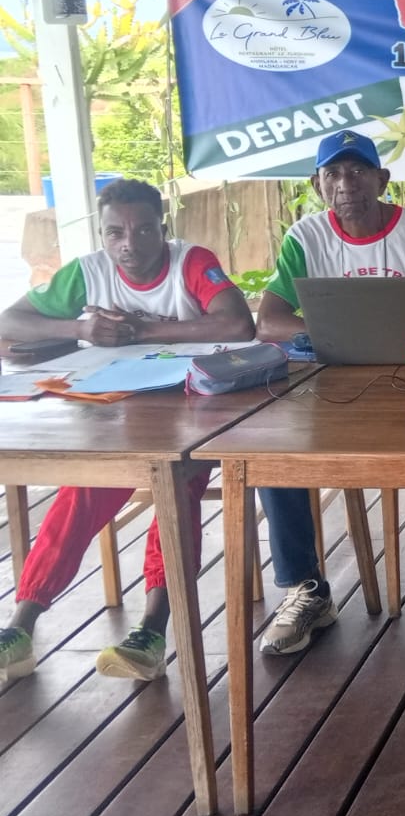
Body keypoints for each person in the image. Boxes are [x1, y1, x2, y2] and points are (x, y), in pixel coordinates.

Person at [0, 179, 254, 682]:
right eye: (115, 232)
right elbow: (11, 321)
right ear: (103, 233)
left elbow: (235, 325)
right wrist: (80, 329)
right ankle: (21, 626)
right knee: (81, 490)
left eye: (142, 230)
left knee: (176, 486)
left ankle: (152, 630)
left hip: (194, 414)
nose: (128, 244)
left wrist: (136, 330)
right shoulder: (88, 272)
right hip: (114, 412)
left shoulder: (190, 262)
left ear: (164, 228)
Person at [253, 130, 405, 656]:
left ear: (382, 179)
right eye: (332, 174)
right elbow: (269, 322)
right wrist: (335, 336)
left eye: (357, 171)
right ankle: (308, 591)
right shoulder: (305, 237)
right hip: (331, 390)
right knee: (270, 448)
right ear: (317, 184)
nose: (345, 184)